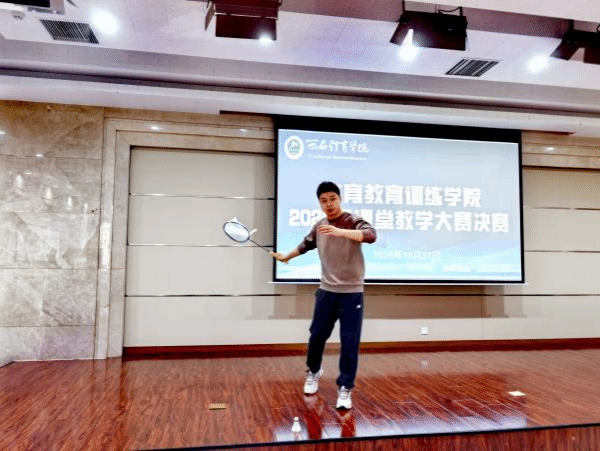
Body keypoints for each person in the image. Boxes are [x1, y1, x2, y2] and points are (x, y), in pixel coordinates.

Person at [271, 181, 377, 409]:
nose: (329, 204)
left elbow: (371, 235)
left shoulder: (353, 220)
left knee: (350, 343)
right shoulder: (319, 226)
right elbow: (306, 244)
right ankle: (313, 371)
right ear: (319, 203)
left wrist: (340, 231)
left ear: (340, 199)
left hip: (352, 294)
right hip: (327, 292)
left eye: (332, 199)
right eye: (323, 201)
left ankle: (345, 388)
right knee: (316, 337)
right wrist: (286, 256)